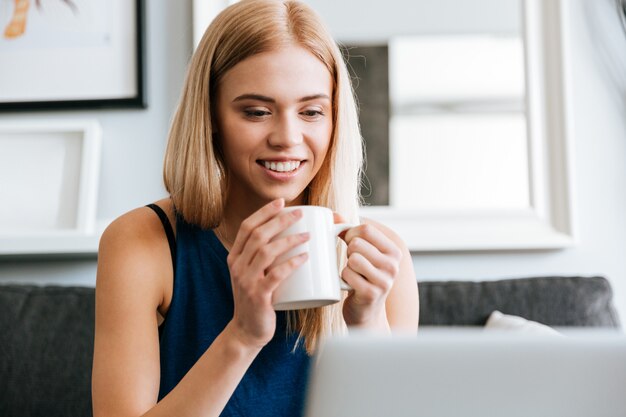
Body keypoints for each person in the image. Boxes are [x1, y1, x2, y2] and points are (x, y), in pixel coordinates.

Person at [91, 1, 419, 416]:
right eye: (257, 112)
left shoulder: (382, 261)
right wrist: (242, 335)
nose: (287, 136)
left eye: (312, 111)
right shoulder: (142, 245)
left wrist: (368, 325)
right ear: (209, 116)